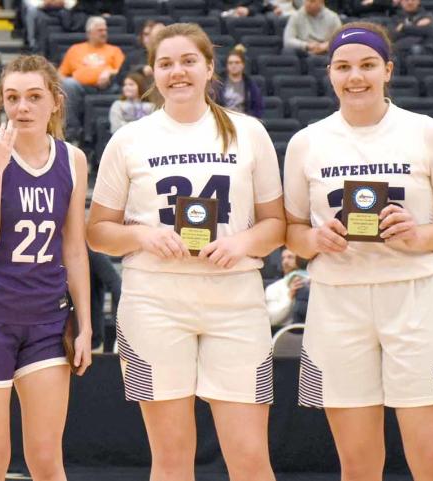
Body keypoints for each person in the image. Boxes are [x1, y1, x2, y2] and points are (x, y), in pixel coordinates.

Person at [87, 22, 284, 481]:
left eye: (188, 61)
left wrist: (241, 242)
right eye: (166, 63)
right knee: (171, 460)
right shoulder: (129, 140)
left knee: (251, 459)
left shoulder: (249, 132)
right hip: (155, 300)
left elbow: (276, 225)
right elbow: (98, 232)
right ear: (153, 72)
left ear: (209, 68)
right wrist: (141, 236)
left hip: (235, 299)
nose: (178, 72)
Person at [284, 22, 433, 481]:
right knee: (358, 467)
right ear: (330, 73)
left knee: (432, 466)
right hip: (337, 303)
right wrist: (314, 240)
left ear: (387, 70)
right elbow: (290, 231)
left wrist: (420, 235)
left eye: (367, 65)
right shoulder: (306, 142)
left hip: (416, 298)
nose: (355, 77)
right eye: (344, 67)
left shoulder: (427, 133)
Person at [0, 54, 92, 480]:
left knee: (47, 461)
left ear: (54, 102)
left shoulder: (73, 159)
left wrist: (84, 325)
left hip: (47, 321)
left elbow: (74, 248)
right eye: (12, 98)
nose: (22, 107)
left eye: (34, 97)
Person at [58, 15, 124, 143]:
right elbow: (61, 73)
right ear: (89, 33)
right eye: (100, 30)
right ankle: (73, 130)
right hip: (81, 88)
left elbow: (123, 71)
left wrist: (109, 73)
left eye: (105, 30)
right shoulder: (75, 49)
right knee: (68, 84)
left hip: (107, 87)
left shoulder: (114, 50)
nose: (104, 33)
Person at [215, 45, 264, 118]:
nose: (233, 65)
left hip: (243, 121)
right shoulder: (218, 83)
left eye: (237, 62)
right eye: (230, 63)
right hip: (223, 121)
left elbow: (258, 106)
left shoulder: (250, 84)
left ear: (243, 65)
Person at [264, 248, 309, 326]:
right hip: (286, 332)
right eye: (283, 258)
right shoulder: (273, 288)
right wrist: (289, 297)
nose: (285, 262)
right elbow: (272, 319)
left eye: (290, 257)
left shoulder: (312, 282)